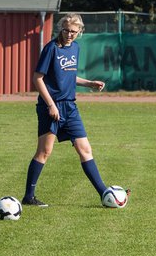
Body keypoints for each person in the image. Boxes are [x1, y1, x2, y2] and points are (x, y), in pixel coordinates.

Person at [23, 13, 112, 207]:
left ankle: (104, 193)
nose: (69, 34)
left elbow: (69, 75)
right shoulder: (51, 49)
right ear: (60, 29)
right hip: (51, 107)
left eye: (74, 31)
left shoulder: (76, 48)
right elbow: (37, 78)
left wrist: (89, 83)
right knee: (44, 152)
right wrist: (51, 105)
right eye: (66, 30)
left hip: (70, 107)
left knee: (85, 149)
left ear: (80, 31)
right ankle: (29, 197)